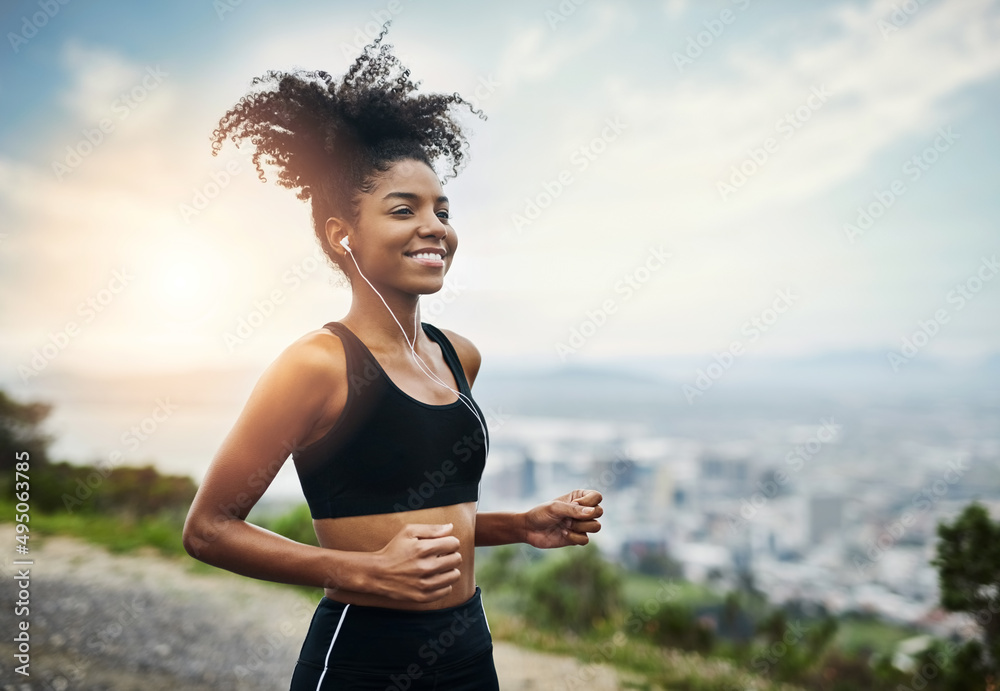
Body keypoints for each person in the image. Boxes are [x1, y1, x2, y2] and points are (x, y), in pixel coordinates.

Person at [181, 22, 604, 690]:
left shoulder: (458, 355)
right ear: (342, 234)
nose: (434, 225)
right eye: (404, 209)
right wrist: (359, 572)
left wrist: (522, 524)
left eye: (442, 207)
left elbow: (429, 517)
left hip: (469, 649)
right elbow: (207, 529)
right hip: (364, 659)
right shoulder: (317, 364)